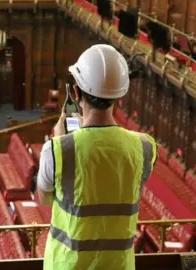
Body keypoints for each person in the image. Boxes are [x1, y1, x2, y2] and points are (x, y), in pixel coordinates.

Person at [37, 44, 158, 270]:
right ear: (120, 95)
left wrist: (60, 141)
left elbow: (44, 200)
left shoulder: (57, 150)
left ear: (76, 92)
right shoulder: (145, 147)